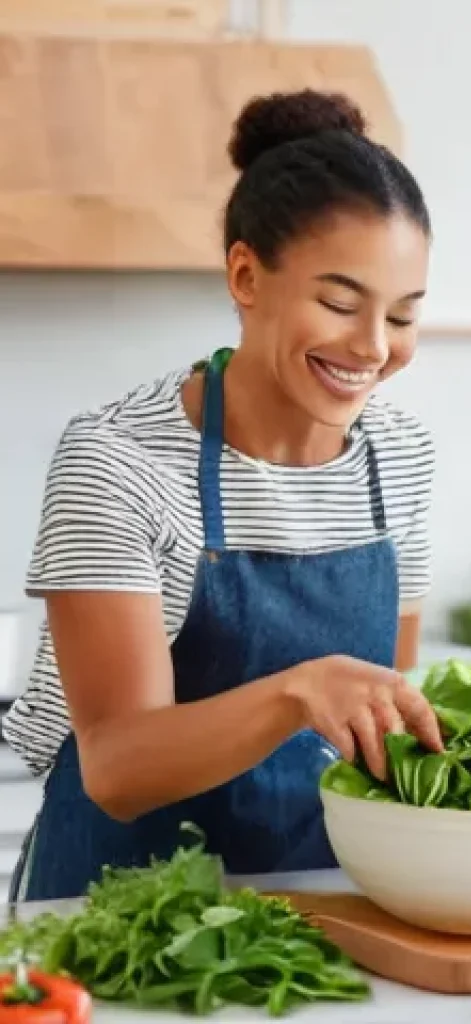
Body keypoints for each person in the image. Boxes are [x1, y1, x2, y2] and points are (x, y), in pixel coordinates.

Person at [3, 88, 445, 902]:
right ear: (245, 274)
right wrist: (296, 691)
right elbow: (117, 767)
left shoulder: (399, 458)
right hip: (116, 913)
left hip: (331, 909)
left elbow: (385, 721)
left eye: (404, 316)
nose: (374, 348)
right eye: (340, 303)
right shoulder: (118, 461)